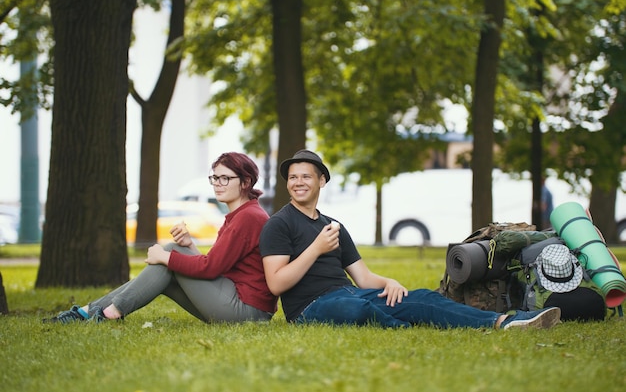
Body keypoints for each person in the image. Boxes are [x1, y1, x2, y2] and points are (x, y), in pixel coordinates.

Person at [259, 149, 561, 330]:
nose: (298, 182)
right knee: (358, 310)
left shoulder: (332, 225)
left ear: (321, 181)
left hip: (349, 293)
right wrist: (316, 249)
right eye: (293, 177)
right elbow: (276, 283)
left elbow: (362, 277)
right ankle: (401, 325)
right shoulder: (279, 224)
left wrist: (388, 282)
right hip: (310, 308)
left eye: (306, 176)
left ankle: (506, 322)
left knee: (421, 297)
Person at [44, 152, 277, 324]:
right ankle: (89, 313)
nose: (217, 184)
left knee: (169, 255)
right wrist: (188, 247)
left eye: (225, 178)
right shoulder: (240, 214)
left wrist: (166, 256)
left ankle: (103, 313)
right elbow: (222, 267)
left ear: (245, 182)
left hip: (248, 311)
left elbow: (211, 269)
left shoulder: (248, 217)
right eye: (214, 178)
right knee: (168, 265)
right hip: (238, 302)